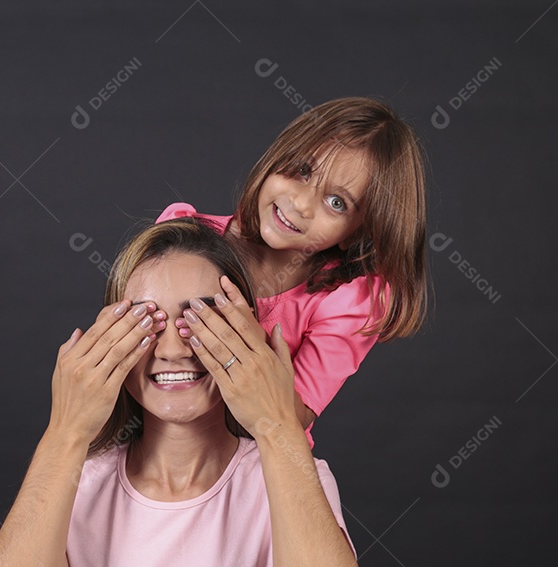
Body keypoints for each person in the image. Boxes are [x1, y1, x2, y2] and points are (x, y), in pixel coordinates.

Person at [0, 218, 364, 567]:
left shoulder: (286, 479)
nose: (172, 348)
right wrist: (65, 433)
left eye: (201, 320)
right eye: (145, 321)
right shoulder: (79, 484)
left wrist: (276, 423)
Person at [158, 96, 429, 446]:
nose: (300, 204)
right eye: (303, 170)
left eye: (336, 203)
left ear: (357, 233)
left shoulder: (346, 301)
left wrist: (252, 347)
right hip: (162, 454)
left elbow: (294, 416)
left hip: (256, 467)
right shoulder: (183, 234)